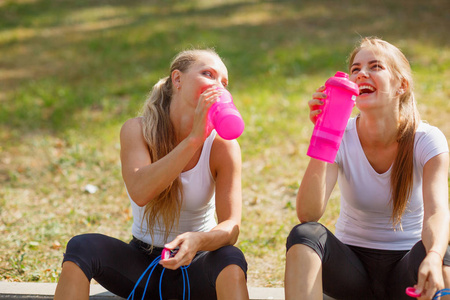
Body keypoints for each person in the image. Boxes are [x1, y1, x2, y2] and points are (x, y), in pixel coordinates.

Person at [54, 49, 249, 300]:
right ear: (177, 80)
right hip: (142, 266)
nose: (217, 86)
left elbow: (231, 228)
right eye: (208, 74)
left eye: (223, 82)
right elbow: (140, 192)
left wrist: (198, 241)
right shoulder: (137, 130)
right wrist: (193, 139)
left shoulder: (223, 146)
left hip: (196, 263)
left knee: (231, 258)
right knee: (81, 246)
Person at [285, 37, 450, 300]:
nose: (362, 73)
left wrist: (433, 255)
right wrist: (324, 133)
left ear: (401, 85)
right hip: (351, 272)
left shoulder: (427, 139)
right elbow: (308, 213)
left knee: (444, 254)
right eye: (355, 69)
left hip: (405, 272)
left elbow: (437, 212)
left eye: (375, 67)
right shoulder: (341, 135)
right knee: (305, 235)